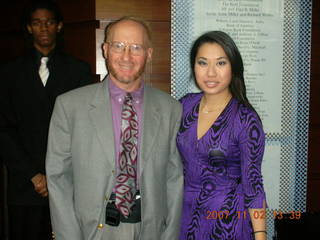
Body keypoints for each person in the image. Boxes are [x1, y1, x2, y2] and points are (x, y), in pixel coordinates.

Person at [46, 16, 183, 240]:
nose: (126, 56)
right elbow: (58, 178)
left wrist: (169, 235)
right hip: (91, 231)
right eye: (118, 46)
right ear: (106, 49)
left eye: (136, 47)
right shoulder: (69, 106)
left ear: (149, 54)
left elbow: (174, 179)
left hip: (150, 230)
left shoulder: (170, 109)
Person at [0, 1, 92, 239]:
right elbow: (4, 130)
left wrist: (56, 175)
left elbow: (85, 129)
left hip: (69, 182)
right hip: (24, 183)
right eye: (37, 23)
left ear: (59, 26)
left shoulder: (79, 71)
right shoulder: (8, 73)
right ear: (29, 28)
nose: (43, 28)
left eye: (49, 22)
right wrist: (34, 175)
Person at [177, 31, 267, 240]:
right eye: (202, 63)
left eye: (220, 63)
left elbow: (253, 186)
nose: (210, 73)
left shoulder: (245, 119)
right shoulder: (184, 106)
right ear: (193, 66)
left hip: (227, 221)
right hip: (185, 217)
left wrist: (260, 235)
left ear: (233, 67)